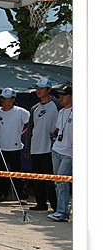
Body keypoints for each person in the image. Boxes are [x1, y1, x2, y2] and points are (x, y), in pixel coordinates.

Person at [0, 87, 30, 203]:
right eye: (2, 98)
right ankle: (2, 193)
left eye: (6, 98)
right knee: (1, 172)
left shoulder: (20, 112)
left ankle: (22, 195)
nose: (3, 100)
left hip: (14, 147)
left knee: (16, 171)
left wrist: (22, 134)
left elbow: (31, 123)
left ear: (12, 99)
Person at [25, 78, 59, 211]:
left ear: (49, 90)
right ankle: (41, 203)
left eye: (41, 88)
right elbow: (31, 129)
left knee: (51, 179)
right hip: (36, 148)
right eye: (37, 88)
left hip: (50, 148)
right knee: (37, 178)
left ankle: (56, 206)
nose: (38, 91)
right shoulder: (35, 108)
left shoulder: (57, 104)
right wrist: (28, 148)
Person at [48, 85, 73, 222]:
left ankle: (63, 212)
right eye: (60, 95)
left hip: (69, 153)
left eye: (64, 95)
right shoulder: (62, 111)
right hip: (57, 150)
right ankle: (60, 210)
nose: (60, 97)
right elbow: (58, 128)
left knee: (62, 182)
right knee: (58, 182)